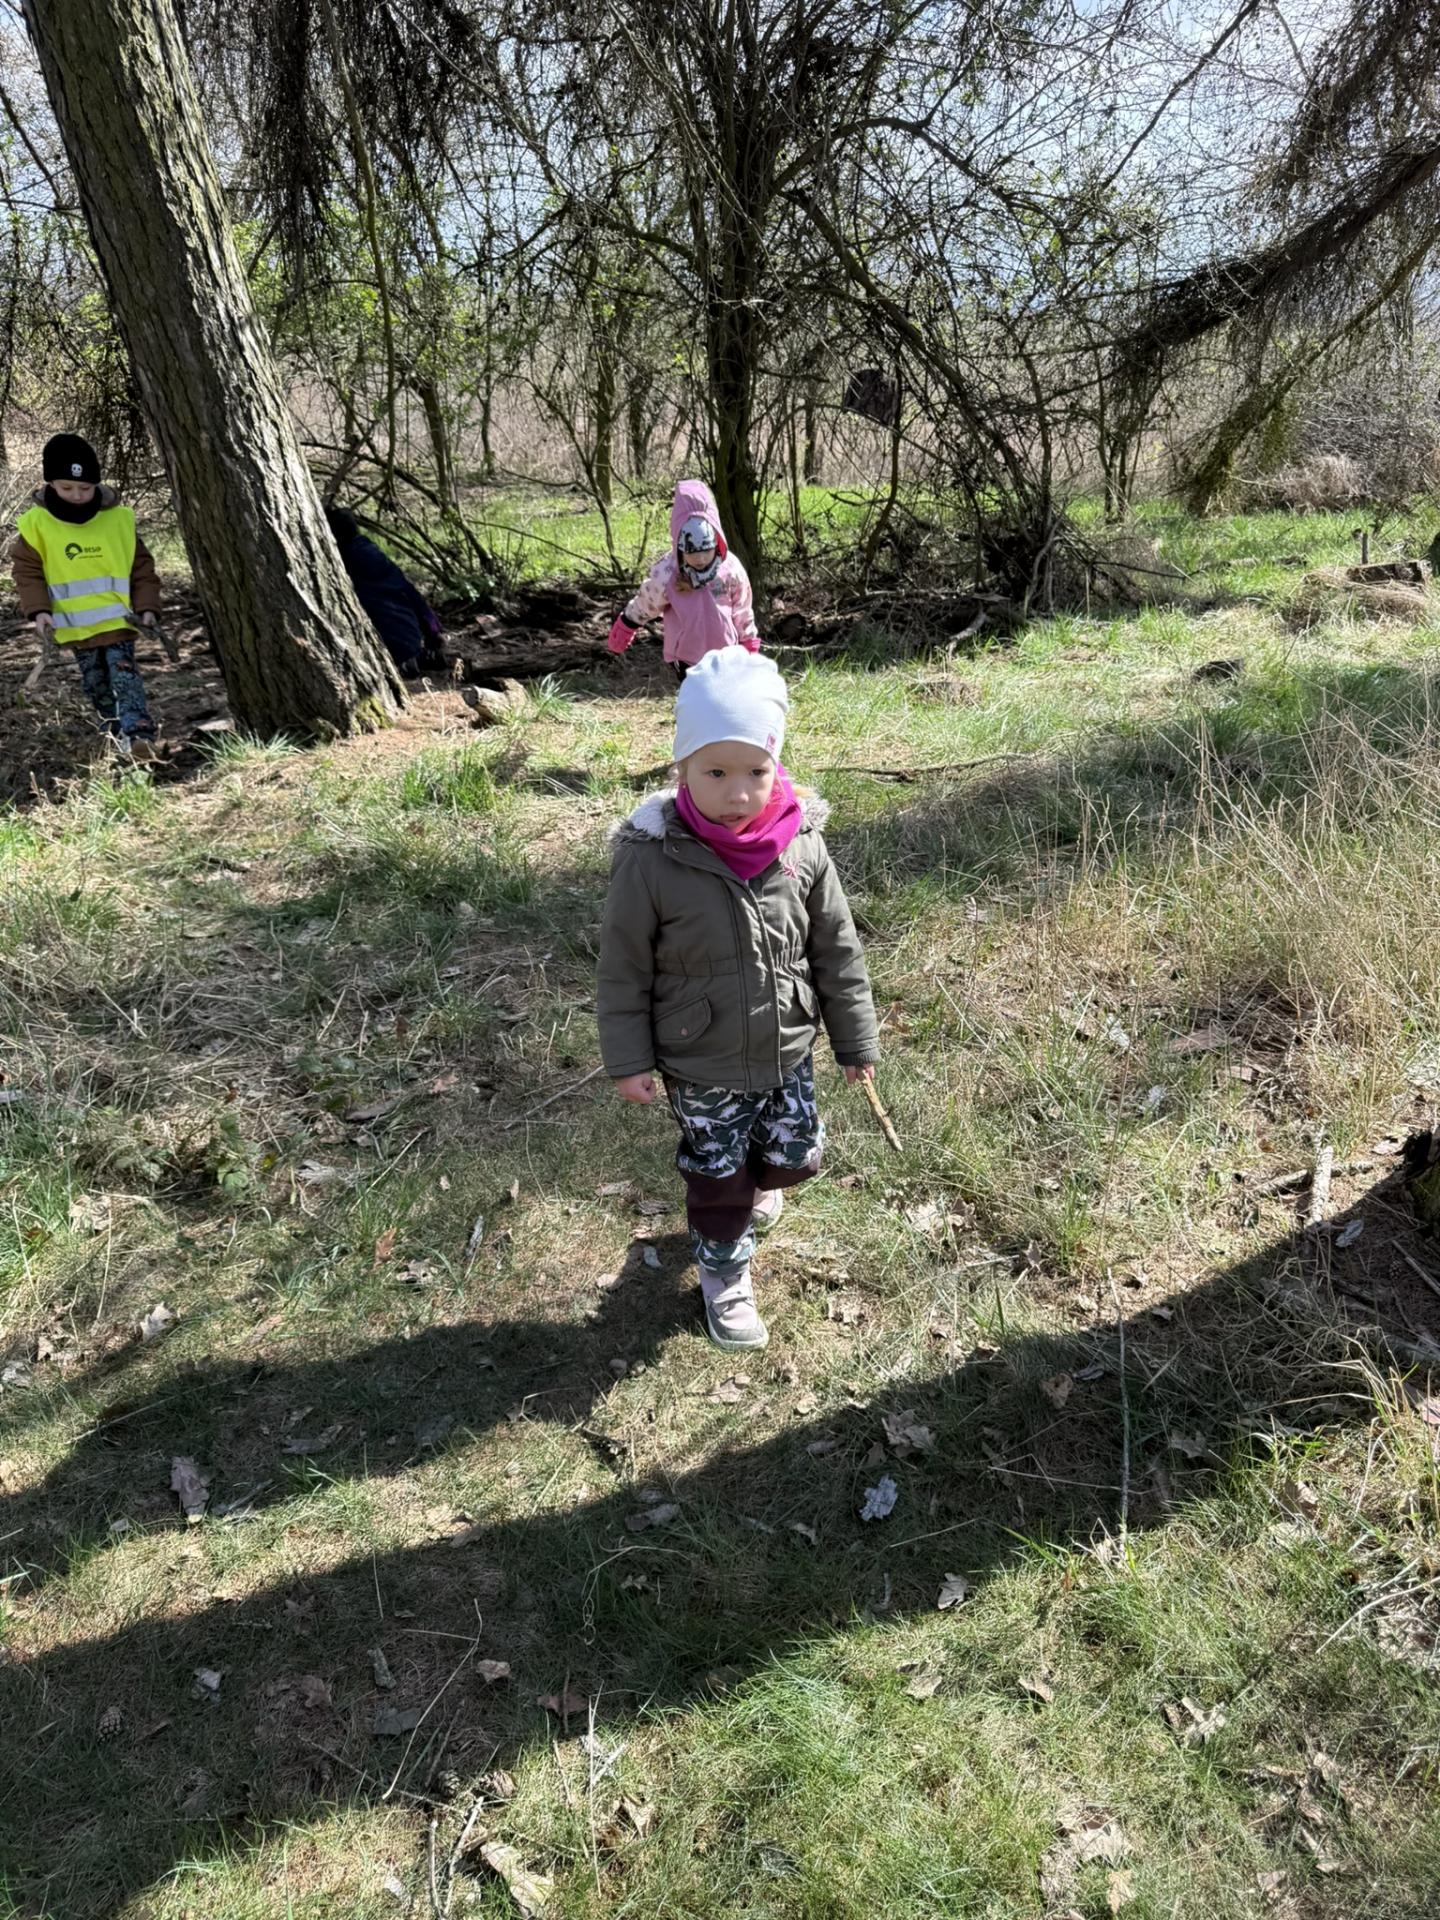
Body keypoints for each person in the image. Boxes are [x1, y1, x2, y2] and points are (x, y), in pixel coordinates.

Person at [597, 649, 879, 1351]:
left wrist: (854, 1040)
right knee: (718, 1174)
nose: (738, 792)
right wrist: (628, 1059)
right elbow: (623, 967)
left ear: (777, 763)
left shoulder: (801, 844)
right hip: (699, 1057)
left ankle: (763, 1183)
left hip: (786, 1045)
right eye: (715, 772)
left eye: (756, 771)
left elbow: (836, 949)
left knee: (794, 1153)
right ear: (681, 769)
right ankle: (724, 1273)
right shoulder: (653, 856)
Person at [10, 433, 161, 754]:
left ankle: (140, 736)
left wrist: (147, 606)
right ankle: (116, 736)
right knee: (96, 685)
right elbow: (27, 573)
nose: (77, 495)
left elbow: (141, 568)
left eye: (86, 487)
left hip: (119, 621)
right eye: (67, 488)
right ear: (50, 483)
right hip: (75, 627)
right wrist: (39, 611)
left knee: (125, 677)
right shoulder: (36, 525)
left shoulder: (118, 519)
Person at [606, 478, 760, 678]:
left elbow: (742, 608)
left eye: (706, 550)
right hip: (687, 659)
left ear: (716, 541)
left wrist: (748, 643)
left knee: (725, 696)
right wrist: (627, 624)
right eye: (692, 552)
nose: (700, 559)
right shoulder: (668, 572)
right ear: (679, 546)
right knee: (697, 696)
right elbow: (647, 602)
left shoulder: (730, 568)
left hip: (726, 655)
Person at [324, 506, 446, 680]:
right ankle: (420, 658)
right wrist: (433, 631)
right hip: (410, 641)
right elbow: (415, 598)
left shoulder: (346, 565)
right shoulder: (380, 561)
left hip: (389, 650)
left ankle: (410, 661)